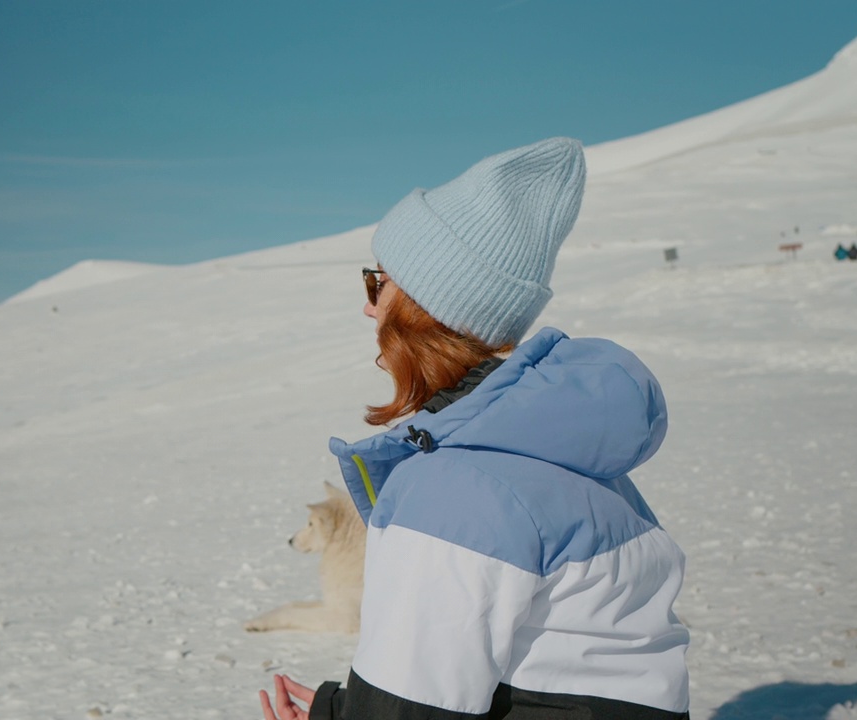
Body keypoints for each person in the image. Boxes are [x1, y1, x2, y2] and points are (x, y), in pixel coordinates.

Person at [258, 138, 690, 720]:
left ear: (422, 307)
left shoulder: (453, 488)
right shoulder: (588, 473)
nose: (369, 306)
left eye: (378, 282)